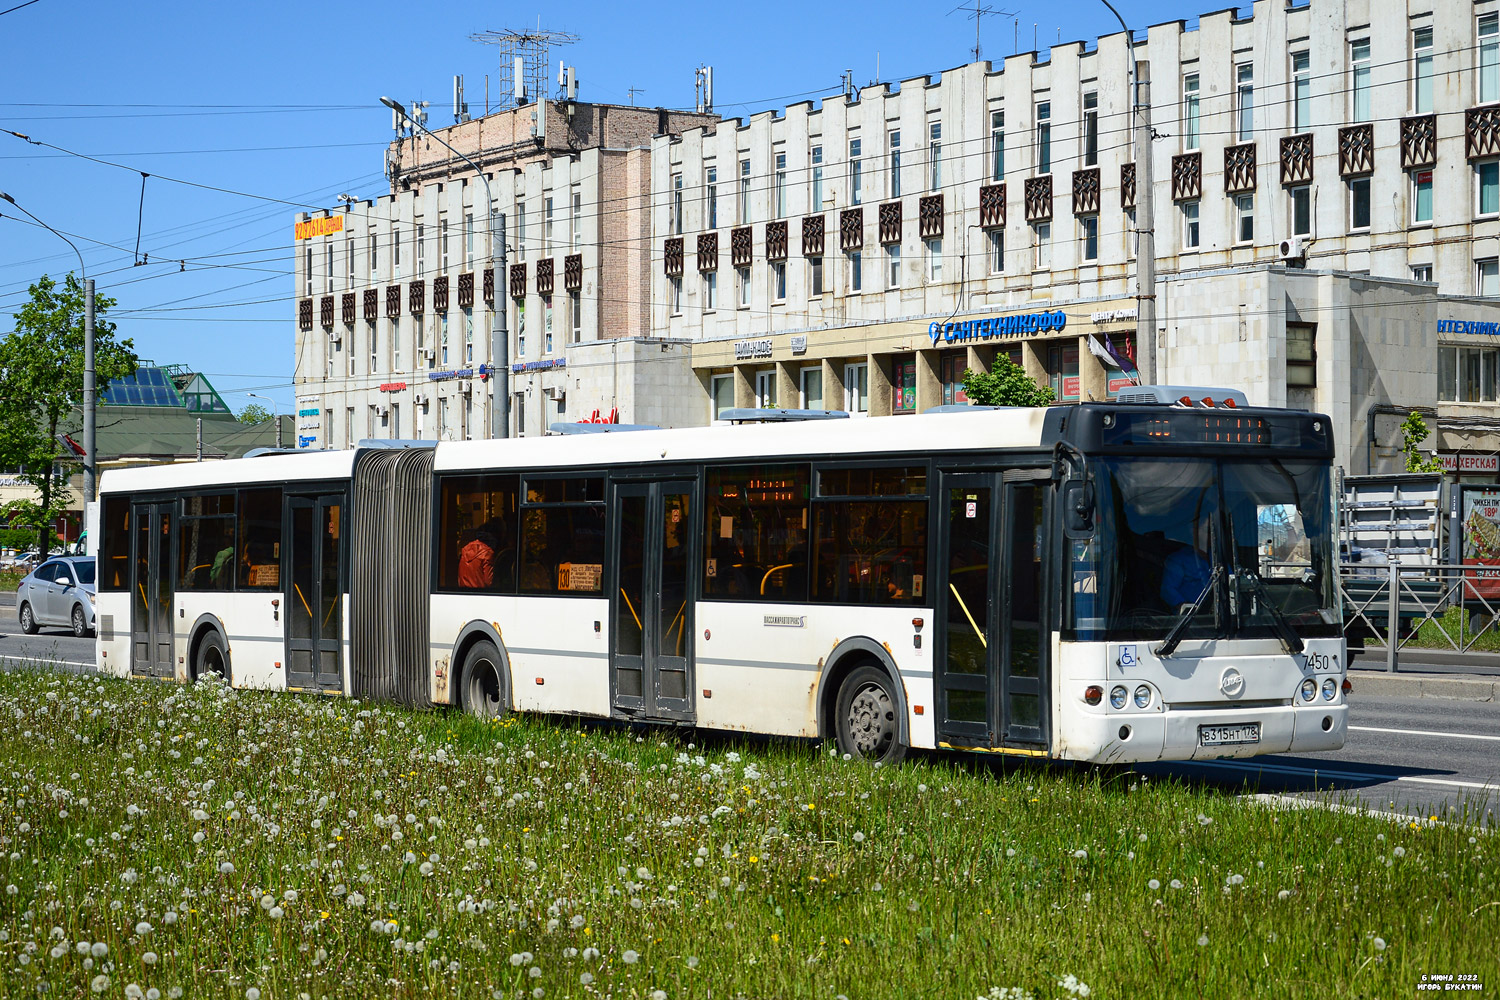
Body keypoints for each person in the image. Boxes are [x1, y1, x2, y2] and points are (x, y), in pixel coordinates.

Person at [1161, 518, 1215, 611]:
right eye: (1208, 530)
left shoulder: (1218, 557)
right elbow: (1167, 589)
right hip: (1191, 620)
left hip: (1221, 617)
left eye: (1214, 530)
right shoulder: (1178, 559)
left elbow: (1231, 580)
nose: (1213, 534)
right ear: (1193, 530)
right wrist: (1184, 607)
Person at [458, 520, 503, 590]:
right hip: (480, 594)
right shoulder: (487, 553)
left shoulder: (465, 549)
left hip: (464, 592)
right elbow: (489, 582)